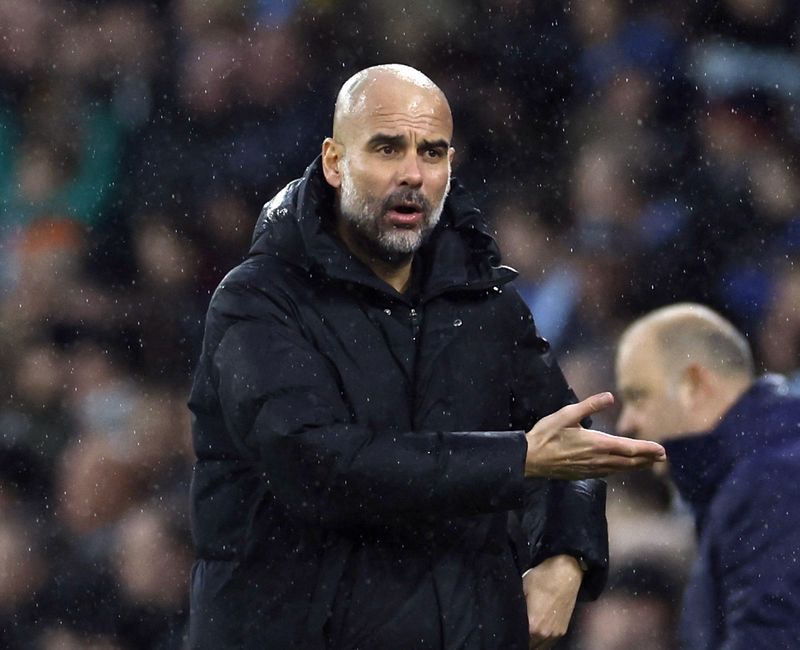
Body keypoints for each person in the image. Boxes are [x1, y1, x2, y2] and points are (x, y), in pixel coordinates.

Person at [188, 64, 665, 650]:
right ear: (335, 162)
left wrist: (565, 558)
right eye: (388, 148)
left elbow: (566, 441)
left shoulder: (483, 301)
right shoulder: (257, 300)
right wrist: (516, 459)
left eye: (432, 153)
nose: (412, 174)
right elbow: (316, 465)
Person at [615, 302, 800, 649]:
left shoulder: (771, 480)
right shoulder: (750, 469)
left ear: (694, 385)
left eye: (639, 397)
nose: (627, 423)